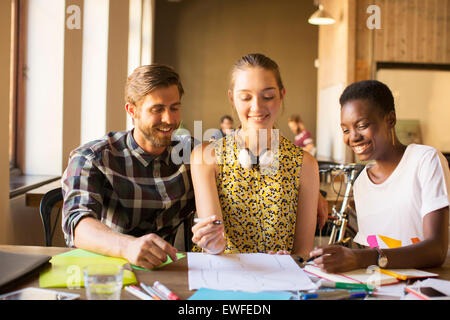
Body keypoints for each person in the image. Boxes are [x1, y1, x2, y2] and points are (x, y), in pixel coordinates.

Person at [61, 64, 196, 270]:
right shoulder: (92, 157)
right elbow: (77, 224)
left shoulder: (193, 155)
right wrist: (128, 246)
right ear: (132, 110)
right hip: (110, 272)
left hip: (166, 270)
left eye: (174, 108)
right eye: (157, 109)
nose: (169, 119)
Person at [309, 80, 449, 273]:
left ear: (390, 119)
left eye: (362, 125)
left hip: (429, 287)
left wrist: (360, 259)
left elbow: (436, 250)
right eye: (346, 130)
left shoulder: (425, 160)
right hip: (387, 287)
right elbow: (373, 254)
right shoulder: (362, 183)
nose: (353, 137)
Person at [190, 53, 320, 259]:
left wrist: (289, 262)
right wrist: (212, 242)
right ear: (232, 98)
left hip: (280, 281)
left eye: (268, 96)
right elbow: (214, 244)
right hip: (223, 277)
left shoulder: (305, 164)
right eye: (246, 97)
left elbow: (303, 252)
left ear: (282, 95)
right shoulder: (206, 157)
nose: (257, 107)